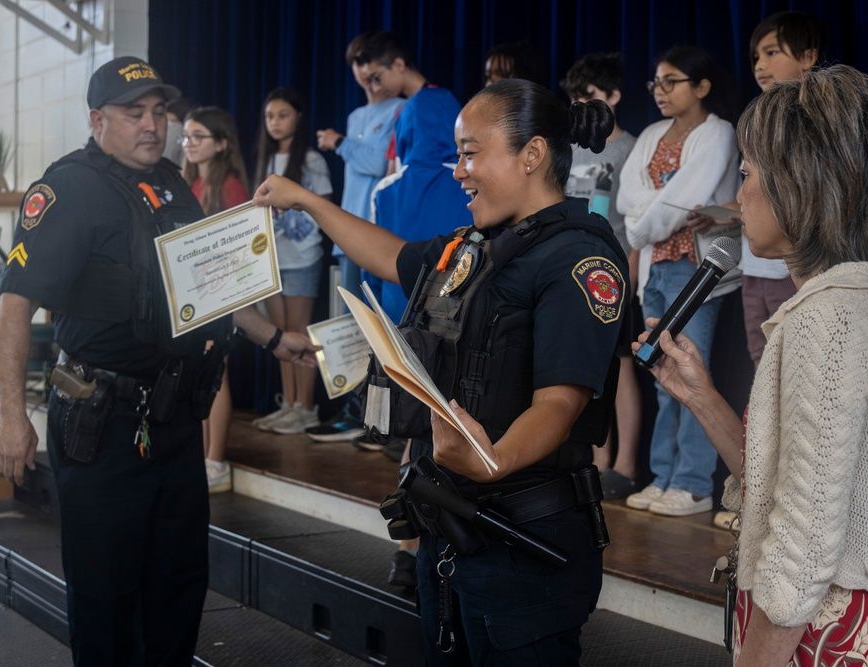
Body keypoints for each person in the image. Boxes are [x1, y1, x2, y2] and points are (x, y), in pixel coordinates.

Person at [255, 78, 628, 665]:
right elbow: (392, 256)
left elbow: (560, 403)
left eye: (471, 153)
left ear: (532, 154)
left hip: (524, 546)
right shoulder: (475, 246)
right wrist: (307, 201)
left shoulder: (578, 259)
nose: (458, 170)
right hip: (453, 530)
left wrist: (494, 459)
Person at [0, 56, 318, 666]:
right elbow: (13, 306)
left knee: (177, 584)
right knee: (106, 596)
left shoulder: (171, 181)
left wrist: (275, 341)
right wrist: (10, 418)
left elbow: (206, 286)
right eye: (133, 112)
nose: (152, 124)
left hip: (171, 421)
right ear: (97, 120)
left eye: (159, 112)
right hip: (100, 425)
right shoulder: (67, 190)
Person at [637, 65, 868, 666]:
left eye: (747, 174)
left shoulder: (827, 322)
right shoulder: (855, 303)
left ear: (798, 185)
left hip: (824, 639)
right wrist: (703, 398)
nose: (739, 196)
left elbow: (807, 540)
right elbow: (795, 482)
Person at [617, 46, 740, 517]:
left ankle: (693, 484)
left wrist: (647, 217)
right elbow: (631, 198)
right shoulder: (650, 134)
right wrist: (654, 212)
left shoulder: (719, 134)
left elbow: (685, 199)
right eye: (656, 83)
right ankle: (663, 475)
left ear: (702, 86)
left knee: (691, 374)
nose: (661, 92)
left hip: (696, 270)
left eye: (672, 82)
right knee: (660, 376)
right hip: (655, 268)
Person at [688, 11, 826, 369]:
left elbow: (800, 195)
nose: (760, 65)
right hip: (755, 268)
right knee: (761, 361)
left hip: (794, 268)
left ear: (808, 58)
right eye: (755, 57)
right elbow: (754, 197)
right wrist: (720, 216)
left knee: (795, 362)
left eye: (772, 53)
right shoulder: (759, 116)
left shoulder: (815, 120)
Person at [309, 31, 405, 444]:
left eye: (374, 70)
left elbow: (376, 163)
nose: (367, 79)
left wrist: (340, 144)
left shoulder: (403, 110)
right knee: (348, 329)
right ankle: (354, 411)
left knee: (381, 329)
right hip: (346, 233)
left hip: (379, 236)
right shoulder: (354, 116)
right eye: (360, 71)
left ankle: (384, 419)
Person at [560, 52, 640, 499]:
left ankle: (624, 465)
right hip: (572, 271)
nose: (580, 105)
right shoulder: (566, 148)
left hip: (615, 271)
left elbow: (633, 223)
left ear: (612, 96)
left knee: (621, 369)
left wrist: (626, 279)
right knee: (583, 368)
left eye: (588, 97)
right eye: (574, 98)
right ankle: (595, 459)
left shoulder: (629, 149)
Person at [354, 31, 472, 324]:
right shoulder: (466, 185)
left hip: (401, 306)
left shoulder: (424, 105)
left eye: (377, 77)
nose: (375, 87)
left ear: (398, 65)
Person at [252, 87, 333, 435]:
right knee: (280, 336)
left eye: (282, 115)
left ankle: (307, 407)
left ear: (298, 118)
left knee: (299, 332)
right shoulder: (266, 160)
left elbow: (324, 207)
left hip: (302, 257)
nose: (275, 122)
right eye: (270, 116)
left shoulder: (312, 160)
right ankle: (289, 404)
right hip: (271, 258)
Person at [181, 105, 251, 492]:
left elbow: (240, 247)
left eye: (198, 137)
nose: (189, 144)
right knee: (201, 374)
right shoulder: (192, 183)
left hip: (221, 294)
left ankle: (216, 460)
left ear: (221, 144)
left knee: (216, 375)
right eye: (186, 137)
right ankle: (203, 454)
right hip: (196, 293)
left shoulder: (231, 187)